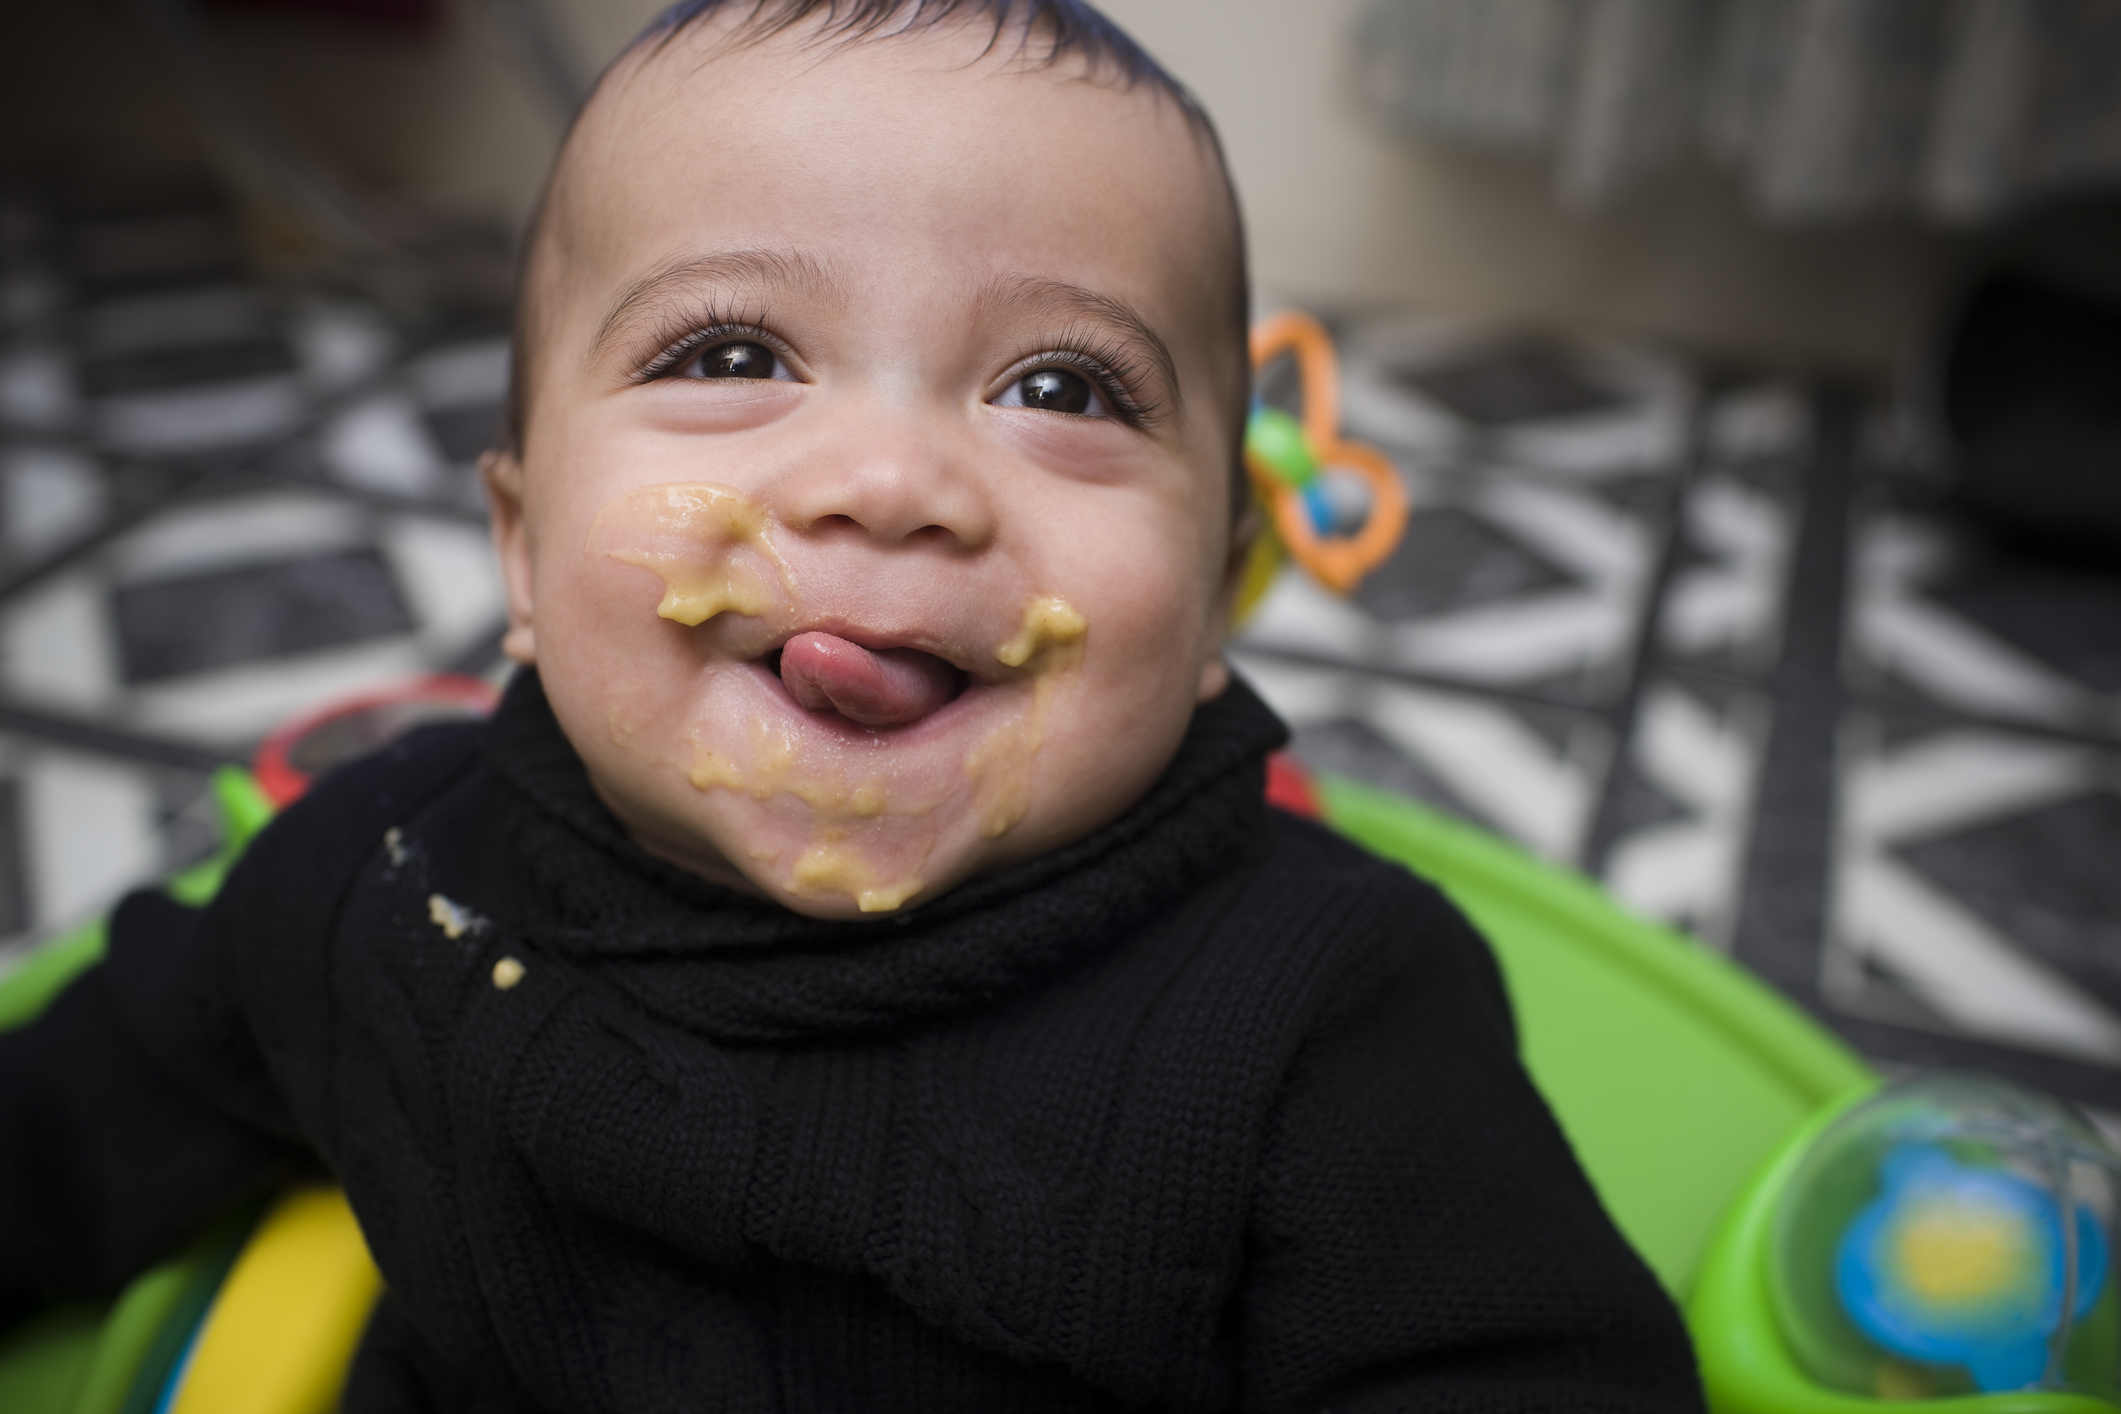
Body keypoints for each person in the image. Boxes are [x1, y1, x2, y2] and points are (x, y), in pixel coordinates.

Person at [0, 2, 1705, 1409]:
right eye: (730, 354)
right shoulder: (391, 882)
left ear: (1214, 597)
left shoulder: (1318, 1012)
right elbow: (90, 1102)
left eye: (1061, 386)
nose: (889, 482)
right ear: (520, 551)